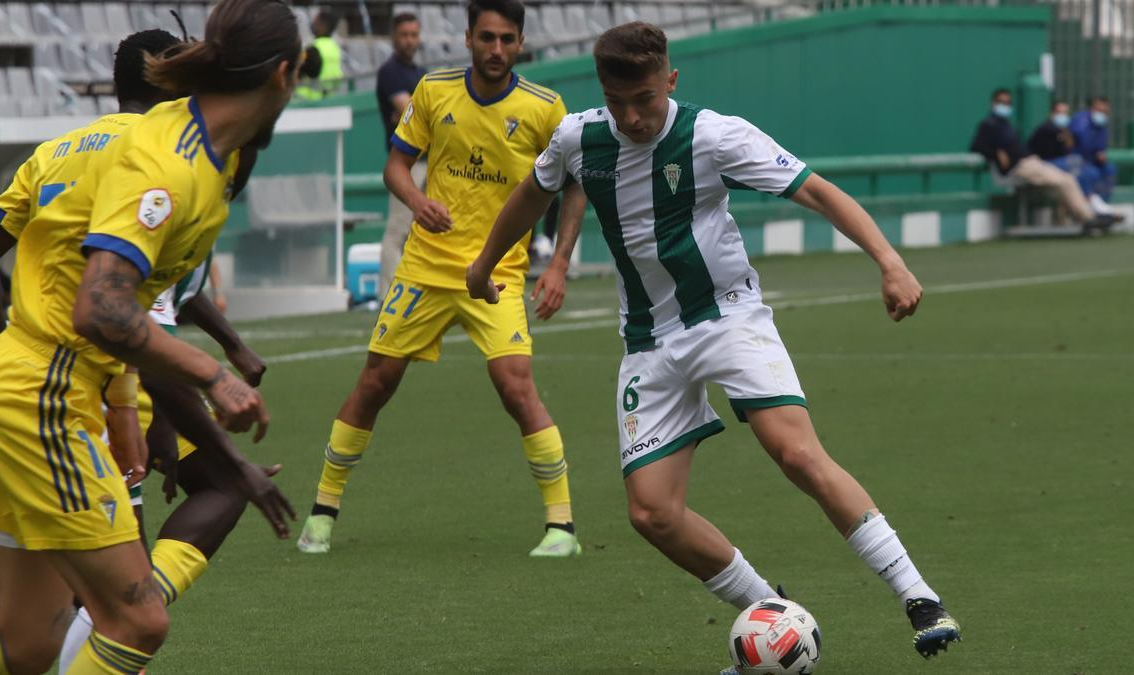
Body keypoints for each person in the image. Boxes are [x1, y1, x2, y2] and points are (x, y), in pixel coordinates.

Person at [468, 21, 964, 666]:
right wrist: (484, 263)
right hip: (648, 340)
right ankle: (773, 614)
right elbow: (530, 197)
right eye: (618, 102)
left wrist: (889, 261)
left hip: (728, 318)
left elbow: (815, 189)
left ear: (670, 81)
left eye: (645, 99)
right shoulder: (577, 138)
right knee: (652, 515)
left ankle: (918, 596)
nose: (633, 116)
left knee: (796, 455)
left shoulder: (713, 134)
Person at [0, 2, 300, 673]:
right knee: (137, 619)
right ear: (286, 73)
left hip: (24, 384)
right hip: (45, 392)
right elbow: (102, 309)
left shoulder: (192, 150)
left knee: (28, 643)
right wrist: (213, 373)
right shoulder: (171, 163)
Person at [297, 0, 588, 558]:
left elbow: (576, 184)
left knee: (516, 387)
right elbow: (396, 165)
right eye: (486, 38)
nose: (496, 49)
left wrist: (558, 264)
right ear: (467, 38)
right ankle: (323, 513)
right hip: (426, 267)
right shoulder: (434, 90)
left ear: (521, 42)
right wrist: (416, 201)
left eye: (506, 39)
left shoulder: (545, 108)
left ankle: (562, 527)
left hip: (497, 271)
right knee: (375, 383)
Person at [970, 88, 1119, 231]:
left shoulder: (1006, 124)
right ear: (993, 103)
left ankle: (1088, 213)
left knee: (1073, 177)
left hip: (1031, 161)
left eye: (1008, 103)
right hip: (1021, 167)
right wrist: (996, 153)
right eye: (1001, 102)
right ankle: (1089, 218)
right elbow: (976, 146)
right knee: (1066, 180)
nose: (1005, 106)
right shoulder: (988, 125)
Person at [375, 11, 427, 299]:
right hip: (405, 163)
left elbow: (416, 113)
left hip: (427, 161)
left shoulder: (418, 73)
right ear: (394, 38)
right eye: (404, 35)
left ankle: (412, 293)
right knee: (397, 231)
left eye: (414, 35)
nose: (409, 40)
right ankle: (388, 296)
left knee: (419, 232)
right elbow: (413, 111)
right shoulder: (390, 71)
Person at [1069, 96, 1117, 205]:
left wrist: (1101, 154)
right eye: (1099, 110)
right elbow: (1082, 141)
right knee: (1092, 173)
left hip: (1093, 160)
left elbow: (1102, 146)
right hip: (1077, 159)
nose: (1102, 113)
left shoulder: (1101, 124)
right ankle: (1088, 205)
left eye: (1105, 111)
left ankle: (1102, 203)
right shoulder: (1081, 120)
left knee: (1110, 169)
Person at [297, 8, 343, 99]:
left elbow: (299, 73)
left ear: (323, 26)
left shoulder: (313, 49)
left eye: (316, 22)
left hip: (309, 101)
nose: (313, 24)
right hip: (329, 98)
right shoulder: (335, 48)